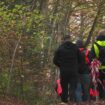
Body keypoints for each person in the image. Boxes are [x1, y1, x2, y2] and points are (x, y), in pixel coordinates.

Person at [53, 35, 82, 103]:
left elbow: (54, 60)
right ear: (70, 39)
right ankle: (72, 101)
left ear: (64, 40)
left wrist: (61, 65)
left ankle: (64, 102)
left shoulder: (60, 48)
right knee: (72, 87)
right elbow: (81, 59)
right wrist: (76, 67)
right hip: (73, 71)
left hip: (64, 71)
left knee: (64, 88)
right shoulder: (75, 47)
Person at [89, 29, 105, 99]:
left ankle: (102, 98)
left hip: (99, 68)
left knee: (100, 84)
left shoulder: (95, 45)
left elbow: (91, 57)